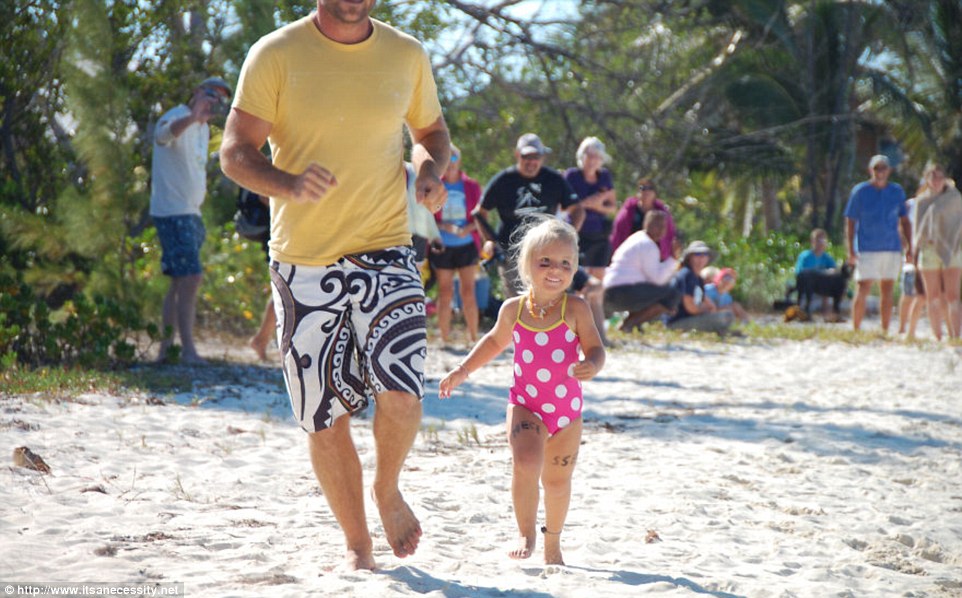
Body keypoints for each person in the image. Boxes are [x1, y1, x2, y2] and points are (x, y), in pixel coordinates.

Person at [219, 0, 450, 571]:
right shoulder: (275, 54)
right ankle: (358, 545)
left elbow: (431, 131)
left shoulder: (405, 53)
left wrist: (428, 169)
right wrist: (287, 184)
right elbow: (235, 152)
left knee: (403, 391)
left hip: (387, 248)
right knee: (323, 417)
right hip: (303, 262)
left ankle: (387, 488)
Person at [438, 217, 605, 566]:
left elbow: (595, 347)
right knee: (526, 463)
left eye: (565, 263)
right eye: (545, 261)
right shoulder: (513, 309)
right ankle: (526, 533)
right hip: (525, 404)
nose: (555, 270)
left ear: (575, 268)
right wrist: (463, 370)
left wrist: (592, 364)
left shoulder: (575, 308)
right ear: (527, 265)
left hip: (567, 413)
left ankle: (552, 543)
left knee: (557, 482)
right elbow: (493, 342)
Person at [151, 76, 233, 365]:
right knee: (191, 277)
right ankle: (187, 350)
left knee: (180, 281)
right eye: (210, 94)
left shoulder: (203, 128)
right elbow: (163, 136)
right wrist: (192, 116)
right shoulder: (177, 116)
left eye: (220, 99)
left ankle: (167, 350)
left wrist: (200, 120)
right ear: (197, 92)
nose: (214, 102)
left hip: (191, 212)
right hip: (173, 211)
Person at [473, 133, 583, 297]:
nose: (531, 162)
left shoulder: (553, 179)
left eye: (536, 157)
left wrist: (568, 236)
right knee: (518, 300)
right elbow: (479, 212)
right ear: (517, 155)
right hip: (512, 252)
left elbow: (577, 209)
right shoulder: (504, 180)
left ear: (542, 157)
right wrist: (490, 240)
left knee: (551, 297)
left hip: (548, 251)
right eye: (526, 156)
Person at [844, 154, 912, 333]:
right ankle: (856, 329)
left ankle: (885, 329)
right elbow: (850, 221)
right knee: (863, 287)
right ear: (870, 170)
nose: (880, 172)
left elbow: (905, 221)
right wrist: (850, 250)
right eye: (877, 168)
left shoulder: (896, 191)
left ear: (889, 171)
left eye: (883, 168)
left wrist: (909, 247)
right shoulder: (860, 191)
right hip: (867, 248)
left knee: (887, 288)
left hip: (891, 247)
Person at [431, 143, 482, 345]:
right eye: (446, 158)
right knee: (445, 292)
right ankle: (444, 339)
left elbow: (481, 218)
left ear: (459, 161)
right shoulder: (435, 185)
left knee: (468, 292)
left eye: (453, 158)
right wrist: (444, 226)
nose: (450, 163)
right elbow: (427, 217)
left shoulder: (471, 186)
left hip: (466, 244)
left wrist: (467, 229)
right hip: (443, 246)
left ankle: (473, 338)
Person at [602, 210, 680, 331]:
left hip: (609, 292)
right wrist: (673, 259)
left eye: (663, 226)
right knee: (672, 292)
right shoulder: (648, 245)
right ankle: (629, 324)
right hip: (619, 293)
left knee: (650, 290)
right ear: (646, 224)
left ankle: (631, 324)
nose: (661, 230)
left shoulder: (636, 238)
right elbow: (658, 280)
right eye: (657, 225)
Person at [911, 161, 962, 340]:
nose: (936, 181)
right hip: (929, 249)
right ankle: (937, 336)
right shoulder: (921, 201)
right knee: (932, 296)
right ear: (927, 179)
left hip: (952, 249)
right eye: (932, 177)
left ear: (945, 178)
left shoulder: (955, 198)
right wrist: (914, 253)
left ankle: (955, 336)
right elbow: (918, 230)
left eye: (940, 177)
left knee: (952, 296)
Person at [564, 137, 617, 280]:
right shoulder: (572, 176)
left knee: (599, 278)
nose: (593, 160)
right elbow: (563, 205)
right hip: (577, 234)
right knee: (575, 276)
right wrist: (585, 204)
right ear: (581, 156)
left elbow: (612, 207)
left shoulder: (604, 176)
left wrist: (598, 206)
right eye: (589, 155)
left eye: (597, 157)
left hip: (599, 235)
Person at [666, 240, 734, 334]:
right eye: (697, 254)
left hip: (690, 318)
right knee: (726, 317)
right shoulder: (687, 275)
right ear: (690, 257)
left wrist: (709, 308)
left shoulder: (698, 279)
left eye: (705, 254)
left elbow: (709, 304)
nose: (701, 257)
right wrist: (706, 309)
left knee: (726, 315)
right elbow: (691, 307)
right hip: (677, 322)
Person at [610, 178, 677, 260]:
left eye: (650, 188)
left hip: (655, 255)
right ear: (637, 192)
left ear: (655, 193)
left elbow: (669, 236)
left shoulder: (663, 214)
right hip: (632, 255)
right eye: (642, 188)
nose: (646, 191)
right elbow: (618, 235)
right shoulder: (628, 212)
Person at [794, 228, 839, 319]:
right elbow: (800, 273)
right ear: (812, 241)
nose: (820, 243)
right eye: (818, 240)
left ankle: (827, 313)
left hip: (822, 288)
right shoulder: (805, 256)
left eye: (823, 240)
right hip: (807, 286)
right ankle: (806, 311)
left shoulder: (827, 258)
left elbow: (835, 271)